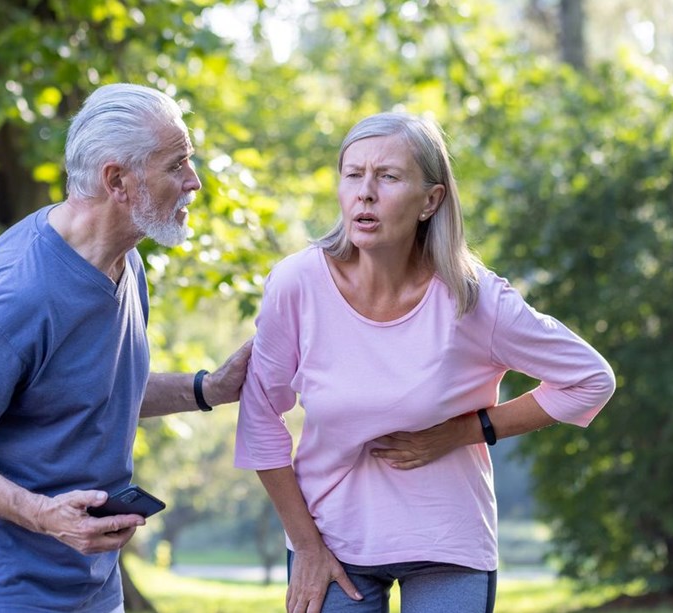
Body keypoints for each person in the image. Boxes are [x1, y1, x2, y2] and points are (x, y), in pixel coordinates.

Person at [234, 112, 615, 613]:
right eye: (353, 174)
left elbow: (589, 379)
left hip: (445, 536)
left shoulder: (473, 298)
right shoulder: (297, 284)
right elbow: (261, 414)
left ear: (430, 200)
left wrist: (462, 431)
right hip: (328, 536)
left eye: (388, 177)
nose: (365, 193)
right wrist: (304, 543)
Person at [0, 83, 252, 613]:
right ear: (118, 181)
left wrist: (209, 388)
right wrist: (42, 514)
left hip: (89, 576)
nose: (193, 182)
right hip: (5, 584)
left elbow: (95, 389)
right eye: (176, 164)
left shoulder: (125, 260)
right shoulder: (18, 295)